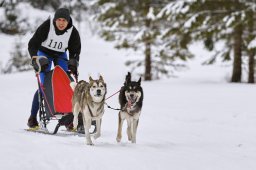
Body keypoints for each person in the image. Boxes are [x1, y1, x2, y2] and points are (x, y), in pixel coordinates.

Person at [27, 8, 81, 128]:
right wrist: (36, 59)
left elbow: (75, 51)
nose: (61, 23)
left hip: (60, 54)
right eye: (59, 20)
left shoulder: (73, 32)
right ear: (55, 20)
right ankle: (32, 117)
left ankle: (69, 118)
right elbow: (32, 44)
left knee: (67, 83)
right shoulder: (47, 26)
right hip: (44, 53)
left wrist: (73, 62)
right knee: (44, 85)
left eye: (64, 20)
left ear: (68, 21)